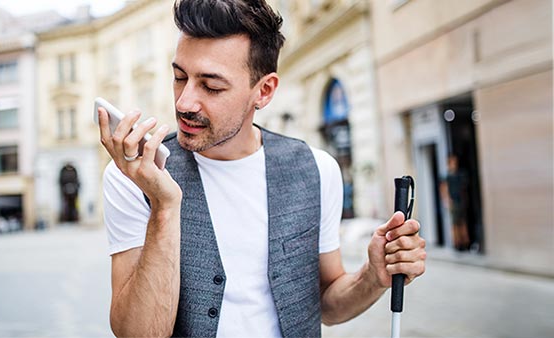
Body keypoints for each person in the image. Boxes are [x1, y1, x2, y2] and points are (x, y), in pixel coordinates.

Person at [97, 1, 426, 337]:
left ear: (264, 91)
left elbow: (326, 304)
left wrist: (372, 276)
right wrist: (164, 208)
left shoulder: (316, 169)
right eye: (180, 77)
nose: (184, 103)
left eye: (211, 86)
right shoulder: (134, 176)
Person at [440, 154, 470, 251]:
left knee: (462, 223)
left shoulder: (459, 175)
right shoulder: (447, 177)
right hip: (453, 202)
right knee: (455, 224)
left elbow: (463, 189)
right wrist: (447, 200)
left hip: (460, 201)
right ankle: (457, 243)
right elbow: (444, 189)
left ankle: (465, 242)